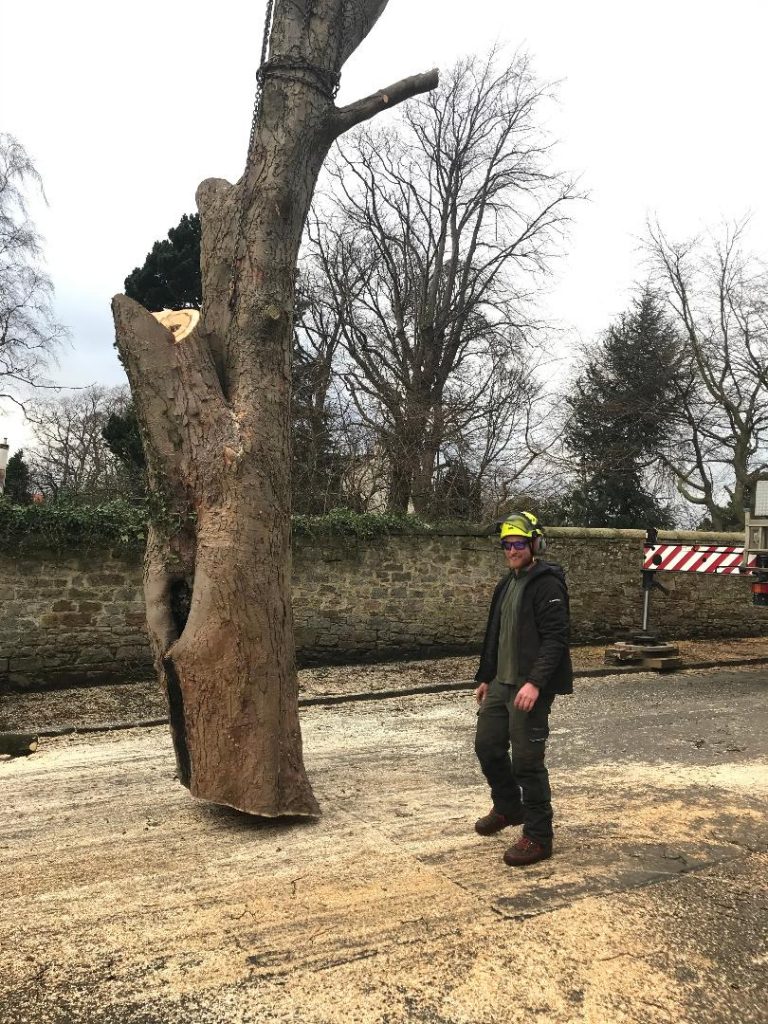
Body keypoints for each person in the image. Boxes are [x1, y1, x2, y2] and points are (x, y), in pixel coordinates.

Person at [473, 511, 573, 866]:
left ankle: (538, 836)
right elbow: (494, 635)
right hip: (501, 683)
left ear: (535, 543)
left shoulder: (547, 583)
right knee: (486, 745)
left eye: (518, 543)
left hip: (529, 686)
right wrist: (485, 676)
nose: (512, 550)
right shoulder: (507, 583)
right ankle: (507, 806)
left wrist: (535, 682)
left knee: (527, 762)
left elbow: (556, 639)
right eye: (506, 544)